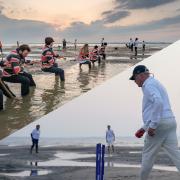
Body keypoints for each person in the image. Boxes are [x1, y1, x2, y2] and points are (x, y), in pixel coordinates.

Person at [129, 65, 180, 180]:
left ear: (141, 75)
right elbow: (155, 108)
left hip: (159, 125)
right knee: (176, 155)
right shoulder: (155, 83)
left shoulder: (148, 85)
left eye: (135, 78)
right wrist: (144, 128)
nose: (135, 82)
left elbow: (158, 103)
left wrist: (152, 125)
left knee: (148, 156)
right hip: (170, 122)